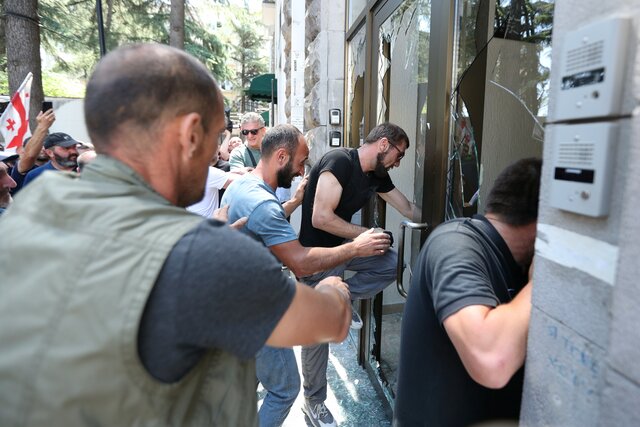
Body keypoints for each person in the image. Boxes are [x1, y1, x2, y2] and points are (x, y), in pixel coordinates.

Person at [0, 43, 352, 427]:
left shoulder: (31, 206)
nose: (216, 154)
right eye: (216, 136)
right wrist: (334, 288)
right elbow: (327, 321)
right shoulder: (204, 252)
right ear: (190, 134)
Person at [222, 124, 390, 427]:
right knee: (284, 390)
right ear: (282, 157)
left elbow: (261, 221)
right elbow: (300, 263)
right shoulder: (264, 204)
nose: (302, 172)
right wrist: (355, 247)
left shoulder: (243, 186)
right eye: (301, 163)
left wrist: (296, 201)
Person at [394, 157, 542, 427]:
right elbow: (491, 359)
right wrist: (545, 278)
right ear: (542, 225)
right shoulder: (454, 243)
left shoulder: (518, 265)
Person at [298, 122, 419, 426]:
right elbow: (321, 218)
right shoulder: (339, 161)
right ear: (383, 144)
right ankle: (313, 402)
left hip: (345, 250)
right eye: (399, 154)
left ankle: (343, 297)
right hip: (317, 257)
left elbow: (406, 207)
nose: (398, 162)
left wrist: (446, 219)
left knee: (391, 262)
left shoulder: (376, 175)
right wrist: (365, 235)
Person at [10, 108, 56, 193]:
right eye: (38, 146)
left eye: (45, 145)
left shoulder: (58, 167)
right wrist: (42, 127)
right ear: (23, 151)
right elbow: (30, 156)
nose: (43, 148)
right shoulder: (22, 167)